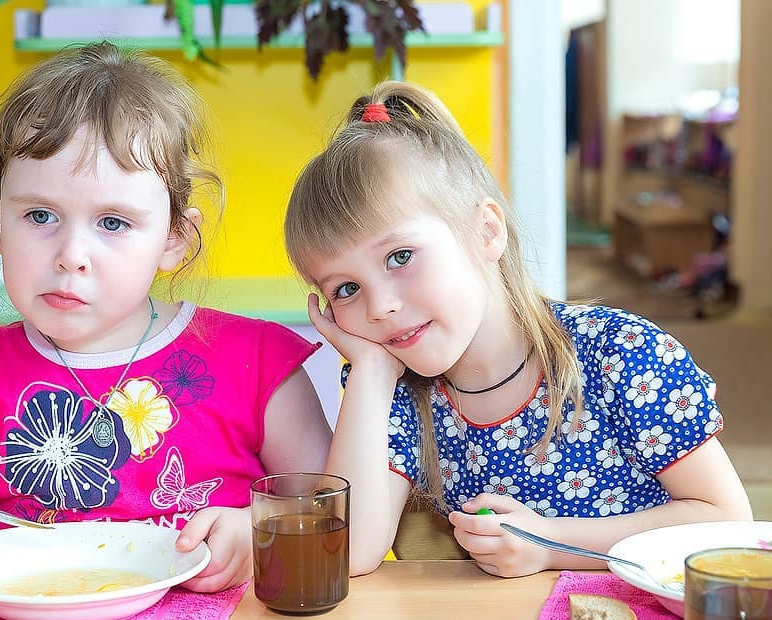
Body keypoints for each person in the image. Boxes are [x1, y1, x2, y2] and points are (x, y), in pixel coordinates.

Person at [0, 42, 331, 591]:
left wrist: (257, 529)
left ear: (174, 238)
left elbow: (331, 519)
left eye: (113, 223)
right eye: (41, 215)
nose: (71, 253)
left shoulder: (260, 363)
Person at [282, 81, 752, 578]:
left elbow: (726, 522)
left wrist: (550, 546)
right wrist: (372, 373)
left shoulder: (624, 355)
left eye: (400, 257)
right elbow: (348, 553)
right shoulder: (396, 390)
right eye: (346, 290)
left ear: (487, 231)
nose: (381, 307)